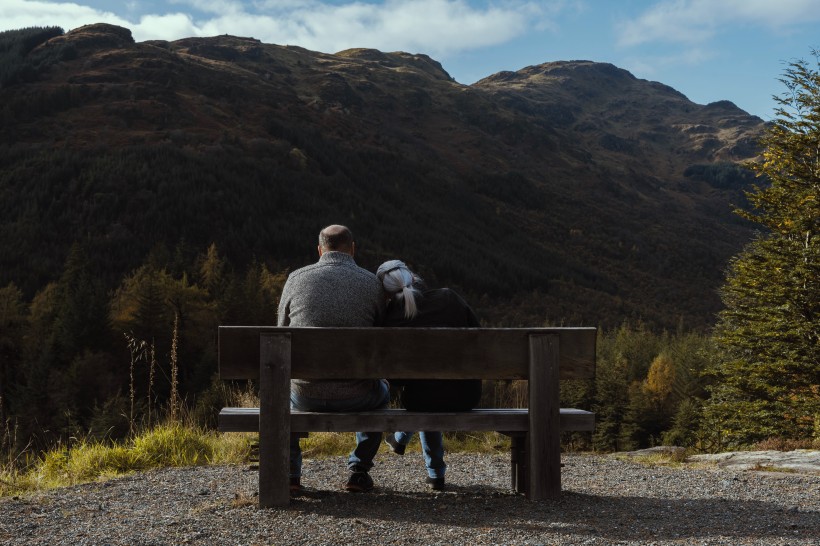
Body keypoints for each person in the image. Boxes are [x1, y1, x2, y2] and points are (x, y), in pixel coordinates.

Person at [277, 225, 389, 493]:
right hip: (358, 395)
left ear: (320, 250)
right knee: (382, 391)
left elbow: (280, 333)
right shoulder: (371, 283)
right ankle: (358, 471)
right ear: (352, 249)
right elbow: (383, 340)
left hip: (304, 395)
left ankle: (291, 475)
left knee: (279, 393)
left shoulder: (295, 278)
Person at [376, 259, 481, 491]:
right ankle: (433, 472)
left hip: (420, 400)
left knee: (425, 392)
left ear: (385, 294)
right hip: (467, 396)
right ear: (414, 279)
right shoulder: (448, 298)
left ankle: (432, 469)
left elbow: (394, 377)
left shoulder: (391, 320)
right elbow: (480, 340)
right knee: (433, 387)